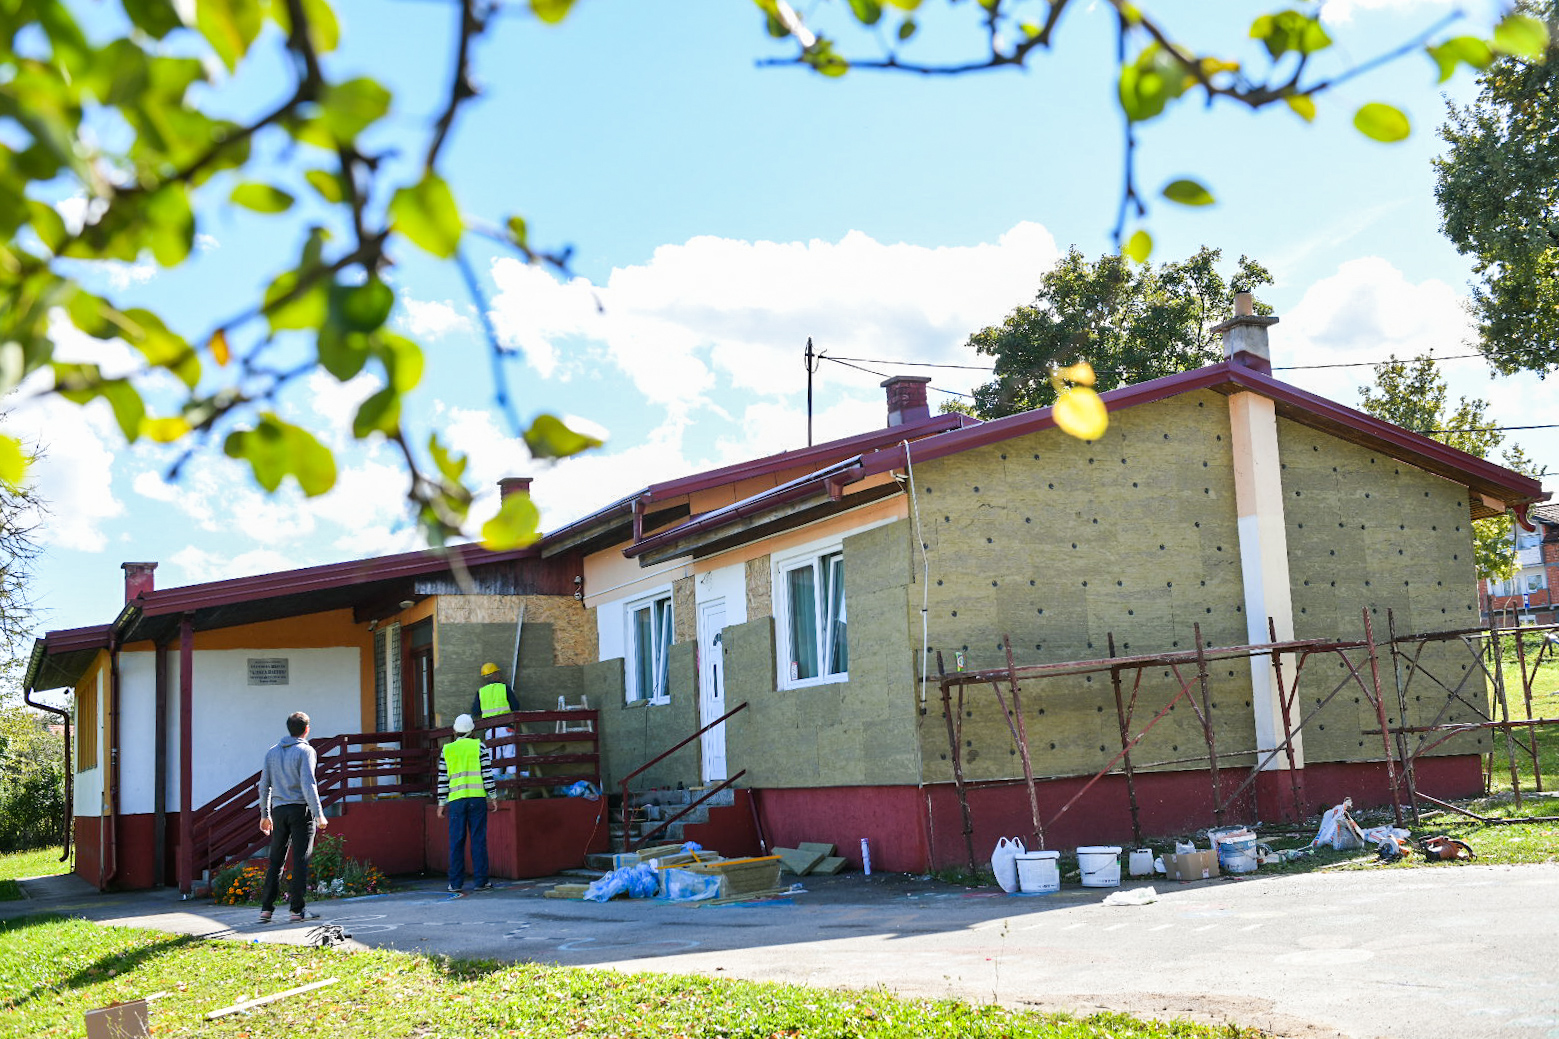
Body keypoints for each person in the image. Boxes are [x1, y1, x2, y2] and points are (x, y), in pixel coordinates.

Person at [256, 711, 328, 924]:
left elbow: (264, 785)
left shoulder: (272, 752)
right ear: (307, 729)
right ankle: (297, 910)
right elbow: (308, 783)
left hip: (279, 811)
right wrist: (319, 814)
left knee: (276, 860)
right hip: (300, 810)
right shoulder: (306, 751)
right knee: (300, 860)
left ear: (289, 728)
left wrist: (265, 814)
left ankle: (266, 909)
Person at [437, 713, 496, 894]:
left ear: (454, 731)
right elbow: (487, 774)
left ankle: (455, 883)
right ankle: (481, 881)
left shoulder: (447, 750)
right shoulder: (479, 747)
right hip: (477, 799)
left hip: (456, 801)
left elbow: (443, 779)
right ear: (472, 731)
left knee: (456, 841)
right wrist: (493, 796)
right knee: (478, 840)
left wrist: (441, 803)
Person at [471, 662, 521, 776]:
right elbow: (516, 707)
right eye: (497, 673)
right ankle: (513, 782)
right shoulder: (505, 688)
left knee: (493, 761)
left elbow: (475, 711)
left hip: (490, 731)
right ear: (495, 675)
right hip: (506, 728)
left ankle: (495, 784)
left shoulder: (481, 692)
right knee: (511, 758)